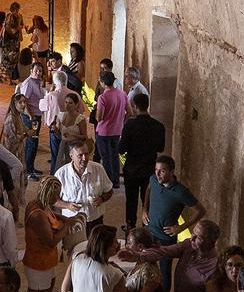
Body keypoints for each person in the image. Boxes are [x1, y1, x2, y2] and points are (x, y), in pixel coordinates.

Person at [22, 176, 66, 292]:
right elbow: (50, 240)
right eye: (55, 194)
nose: (58, 197)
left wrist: (64, 218)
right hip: (38, 264)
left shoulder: (40, 205)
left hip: (46, 262)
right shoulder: (37, 214)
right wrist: (66, 227)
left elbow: (53, 216)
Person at [145, 152, 203, 285]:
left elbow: (200, 211)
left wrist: (182, 227)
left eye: (162, 171)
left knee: (165, 272)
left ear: (171, 172)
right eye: (156, 170)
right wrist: (144, 209)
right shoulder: (153, 180)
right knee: (146, 265)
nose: (158, 174)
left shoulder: (180, 192)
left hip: (166, 239)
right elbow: (149, 189)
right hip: (149, 231)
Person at [117, 92, 167, 228]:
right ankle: (147, 226)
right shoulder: (159, 126)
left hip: (132, 169)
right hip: (150, 169)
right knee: (148, 200)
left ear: (134, 106)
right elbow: (161, 148)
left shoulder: (130, 125)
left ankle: (130, 225)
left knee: (131, 200)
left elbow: (121, 149)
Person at [55, 141, 113, 230]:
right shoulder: (61, 174)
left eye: (86, 154)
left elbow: (109, 191)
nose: (84, 158)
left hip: (95, 220)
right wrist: (67, 205)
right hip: (73, 222)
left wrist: (101, 199)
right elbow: (53, 200)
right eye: (80, 155)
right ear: (71, 156)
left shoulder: (98, 169)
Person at [93, 71, 129, 192]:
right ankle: (116, 181)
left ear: (102, 83)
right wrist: (121, 120)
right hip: (117, 130)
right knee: (114, 156)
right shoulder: (123, 94)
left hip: (104, 131)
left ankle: (108, 183)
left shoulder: (103, 97)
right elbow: (130, 112)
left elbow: (99, 117)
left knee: (105, 158)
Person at [54, 86, 91, 168]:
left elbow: (84, 137)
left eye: (70, 103)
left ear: (76, 105)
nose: (67, 105)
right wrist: (54, 129)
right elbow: (58, 134)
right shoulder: (61, 115)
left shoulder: (80, 118)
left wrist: (73, 135)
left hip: (75, 147)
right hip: (63, 145)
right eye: (66, 102)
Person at [0, 2, 25, 82]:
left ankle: (9, 78)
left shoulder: (20, 16)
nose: (17, 11)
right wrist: (18, 29)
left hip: (16, 41)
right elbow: (8, 28)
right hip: (9, 42)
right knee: (8, 59)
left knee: (14, 59)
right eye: (15, 9)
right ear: (12, 9)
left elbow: (21, 25)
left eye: (18, 9)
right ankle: (4, 77)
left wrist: (21, 28)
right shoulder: (9, 16)